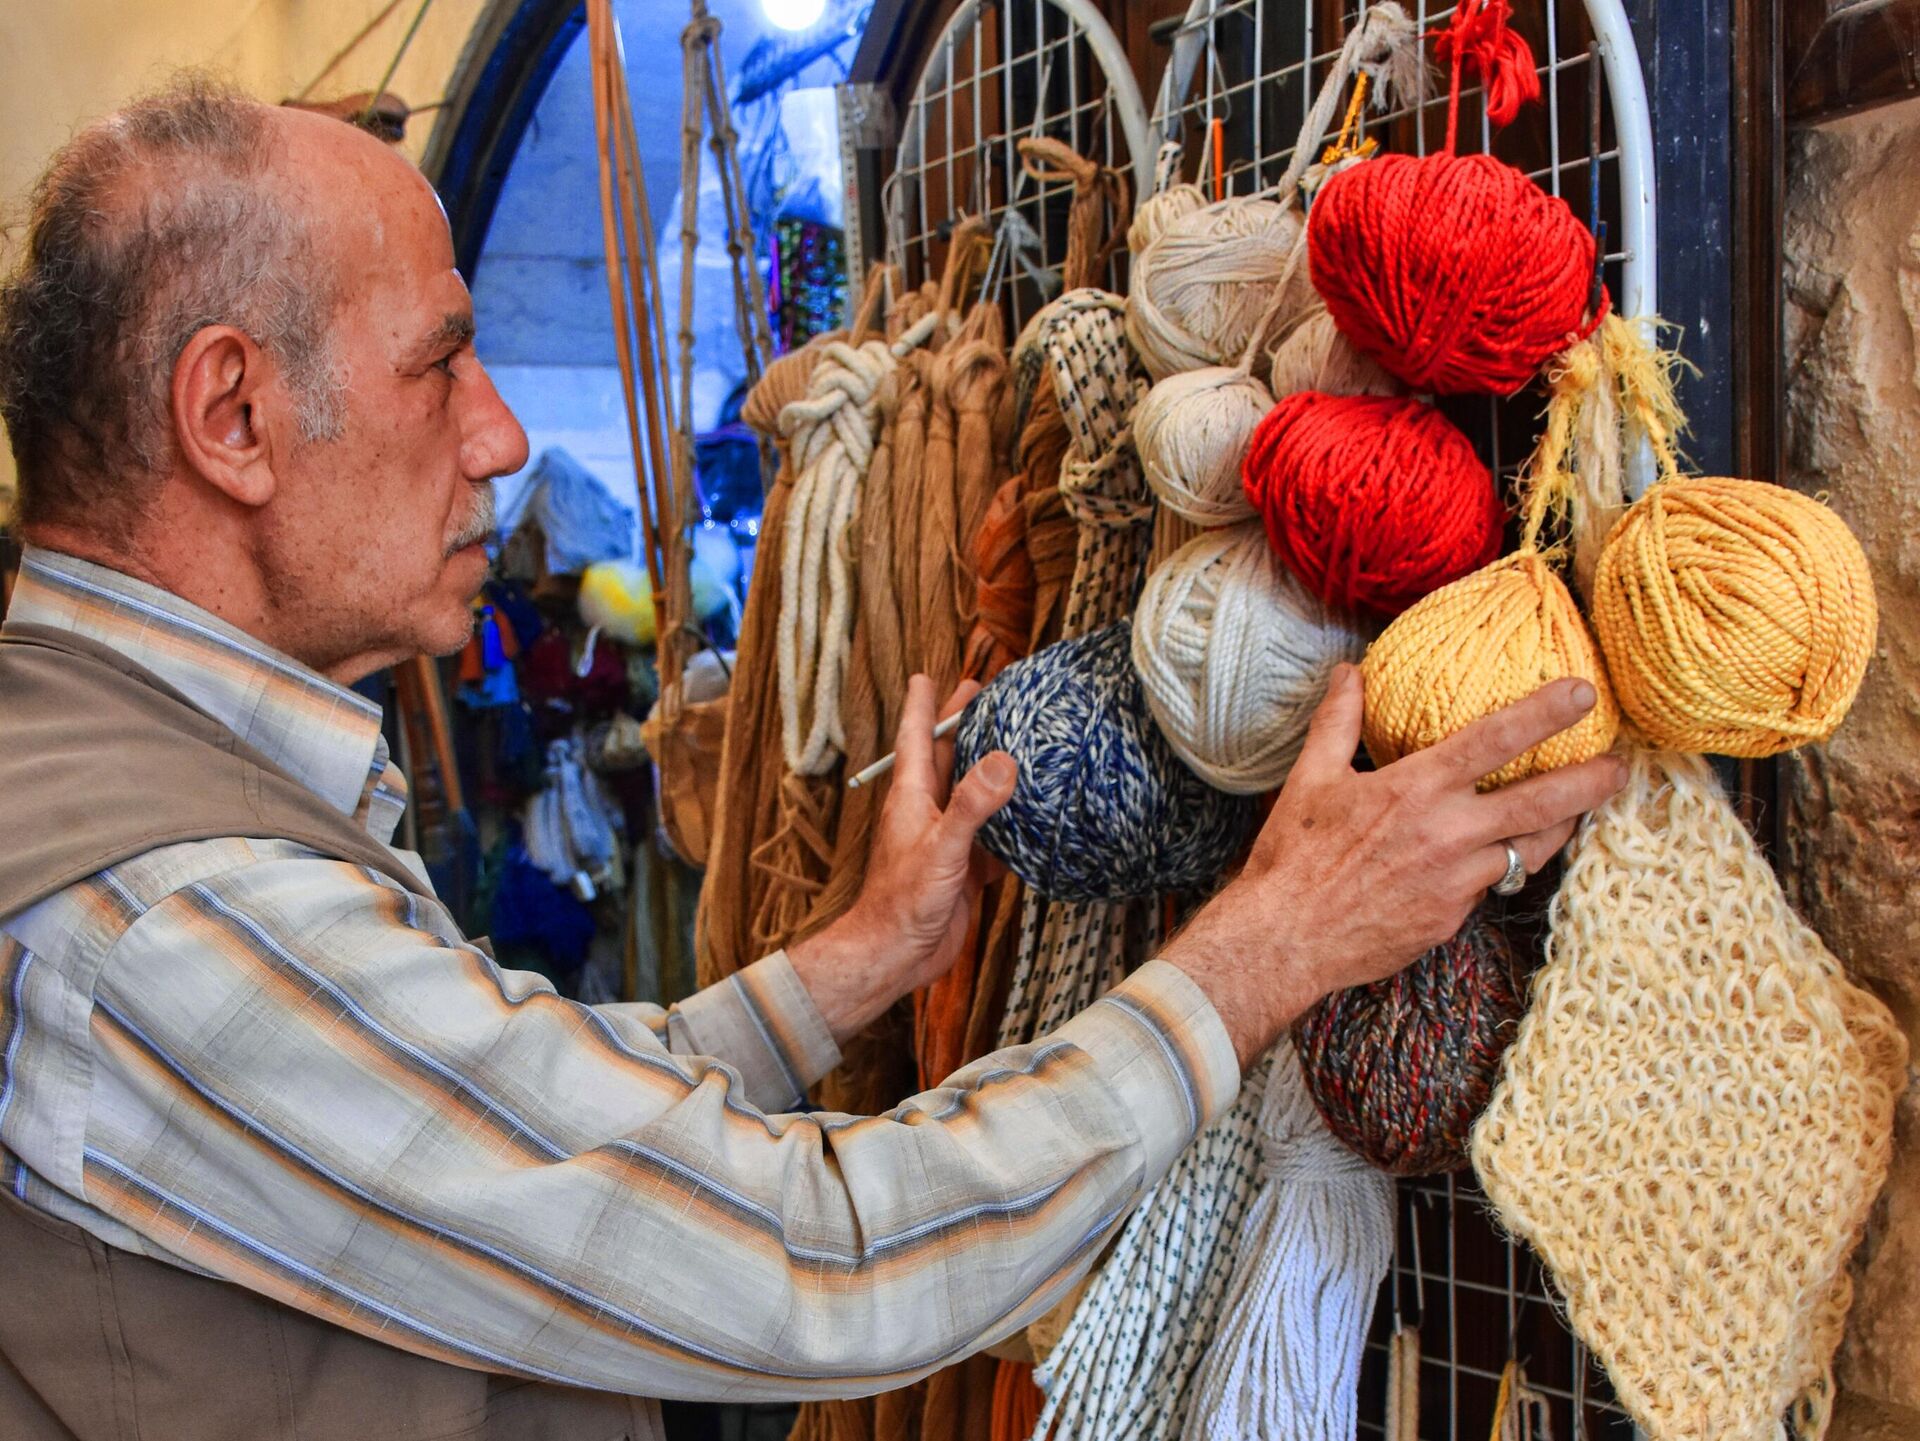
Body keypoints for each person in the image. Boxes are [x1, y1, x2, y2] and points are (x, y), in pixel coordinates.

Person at [0, 79, 1624, 1441]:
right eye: (442, 361)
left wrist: (844, 968)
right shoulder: (159, 917)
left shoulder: (125, 782)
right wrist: (1274, 943)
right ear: (231, 414)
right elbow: (811, 1258)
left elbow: (515, 1138)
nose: (499, 432)